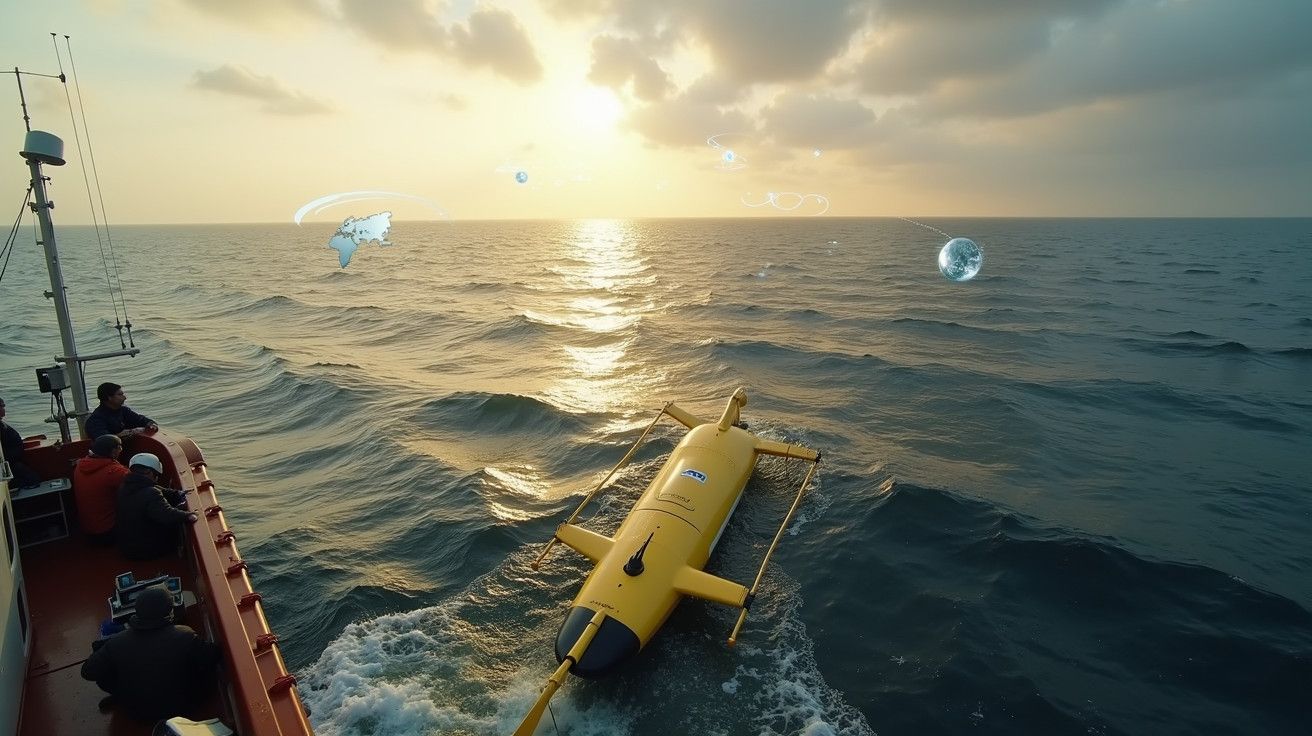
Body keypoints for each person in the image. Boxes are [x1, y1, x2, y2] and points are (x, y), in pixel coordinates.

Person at [80, 586, 220, 721]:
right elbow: (212, 656)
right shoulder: (184, 636)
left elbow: (87, 672)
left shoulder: (117, 642)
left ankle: (122, 696)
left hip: (136, 711)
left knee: (105, 668)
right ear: (168, 611)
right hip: (182, 707)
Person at [116, 452, 198, 560]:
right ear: (150, 472)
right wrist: (187, 515)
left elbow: (158, 489)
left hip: (127, 545)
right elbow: (167, 515)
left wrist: (178, 494)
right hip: (143, 550)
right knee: (175, 526)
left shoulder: (126, 486)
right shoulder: (150, 492)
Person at [72, 434, 131, 544]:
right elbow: (140, 482)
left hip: (88, 532)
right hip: (108, 533)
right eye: (120, 447)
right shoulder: (115, 472)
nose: (121, 450)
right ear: (113, 451)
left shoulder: (79, 466)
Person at [85, 382, 157, 440]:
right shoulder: (96, 419)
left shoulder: (123, 410)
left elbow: (139, 419)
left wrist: (150, 423)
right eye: (120, 394)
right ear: (109, 397)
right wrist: (127, 433)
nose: (125, 397)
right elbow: (104, 439)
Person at [0, 396, 41, 488]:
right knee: (33, 480)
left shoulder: (2, 425)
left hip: (15, 461)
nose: (4, 409)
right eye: (2, 406)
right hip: (11, 464)